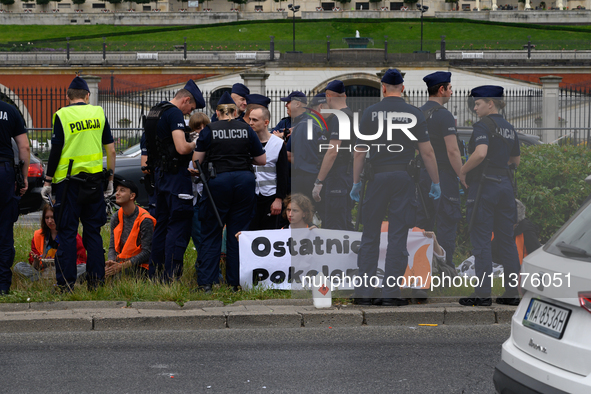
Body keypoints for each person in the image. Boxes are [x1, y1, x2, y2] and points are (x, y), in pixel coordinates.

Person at [350, 69, 440, 306]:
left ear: (383, 87)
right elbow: (427, 152)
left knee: (370, 235)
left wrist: (356, 182)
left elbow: (359, 152)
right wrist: (436, 182)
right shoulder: (414, 113)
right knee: (398, 236)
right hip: (403, 178)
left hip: (377, 178)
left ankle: (364, 294)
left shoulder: (371, 113)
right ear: (402, 88)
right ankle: (391, 294)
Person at [41, 75, 116, 292]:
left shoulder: (62, 115)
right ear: (87, 96)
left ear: (67, 97)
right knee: (92, 232)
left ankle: (66, 284)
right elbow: (110, 149)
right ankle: (97, 283)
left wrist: (48, 180)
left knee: (67, 232)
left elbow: (56, 150)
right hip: (94, 182)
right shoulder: (98, 113)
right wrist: (109, 179)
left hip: (68, 183)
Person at [194, 91, 266, 293]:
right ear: (235, 112)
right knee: (237, 233)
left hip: (218, 181)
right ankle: (236, 283)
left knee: (211, 232)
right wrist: (242, 160)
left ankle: (206, 283)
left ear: (217, 112)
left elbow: (196, 161)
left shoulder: (209, 129)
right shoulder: (246, 129)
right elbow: (262, 160)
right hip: (244, 181)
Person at [458, 85, 521, 307]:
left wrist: (463, 171)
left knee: (481, 241)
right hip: (505, 186)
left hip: (484, 187)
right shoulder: (509, 128)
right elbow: (515, 161)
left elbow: (480, 152)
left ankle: (483, 294)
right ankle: (512, 292)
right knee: (506, 241)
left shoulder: (483, 126)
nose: (474, 108)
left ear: (490, 103)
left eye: (477, 103)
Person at [145, 79, 205, 282]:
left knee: (161, 225)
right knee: (178, 226)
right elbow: (181, 148)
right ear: (186, 99)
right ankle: (170, 275)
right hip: (176, 178)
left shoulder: (155, 110)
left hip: (159, 177)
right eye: (191, 108)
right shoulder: (174, 113)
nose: (189, 113)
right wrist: (196, 141)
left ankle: (155, 272)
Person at [416, 71, 463, 272]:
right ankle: (446, 271)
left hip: (421, 175)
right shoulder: (444, 115)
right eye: (450, 88)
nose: (451, 92)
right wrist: (462, 175)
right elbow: (452, 151)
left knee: (422, 225)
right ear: (442, 89)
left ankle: (422, 268)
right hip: (443, 175)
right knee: (446, 222)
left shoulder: (417, 114)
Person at [312, 80, 354, 230]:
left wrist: (319, 181)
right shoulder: (349, 114)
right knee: (343, 221)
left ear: (329, 96)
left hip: (337, 176)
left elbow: (332, 151)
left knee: (334, 224)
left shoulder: (339, 117)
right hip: (346, 174)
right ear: (345, 95)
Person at [0, 99, 29, 295]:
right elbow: (24, 148)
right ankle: (2, 285)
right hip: (4, 173)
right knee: (4, 229)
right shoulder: (9, 110)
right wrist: (24, 177)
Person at [14, 203, 87, 282]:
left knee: (85, 267)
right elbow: (35, 266)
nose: (49, 221)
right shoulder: (38, 236)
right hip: (43, 271)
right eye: (47, 218)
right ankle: (47, 280)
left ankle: (56, 279)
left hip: (65, 271)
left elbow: (81, 259)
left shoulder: (72, 235)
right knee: (19, 266)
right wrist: (36, 261)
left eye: (53, 217)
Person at [105, 178, 156, 278]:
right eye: (117, 190)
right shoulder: (116, 217)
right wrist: (111, 262)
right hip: (120, 263)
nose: (117, 193)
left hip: (140, 266)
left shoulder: (145, 220)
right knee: (95, 271)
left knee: (117, 278)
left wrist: (121, 267)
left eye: (122, 190)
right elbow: (112, 246)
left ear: (132, 196)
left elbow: (147, 252)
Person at [249, 106, 289, 230]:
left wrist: (278, 199)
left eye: (255, 120)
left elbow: (283, 174)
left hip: (270, 197)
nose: (250, 123)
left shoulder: (277, 144)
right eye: (250, 119)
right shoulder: (247, 142)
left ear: (266, 123)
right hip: (251, 195)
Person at [285, 91, 325, 211]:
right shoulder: (312, 122)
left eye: (288, 102)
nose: (286, 105)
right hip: (315, 176)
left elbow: (289, 154)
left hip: (306, 177)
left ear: (297, 104)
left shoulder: (304, 124)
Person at [187, 112, 210, 273]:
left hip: (207, 194)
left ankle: (207, 269)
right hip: (194, 196)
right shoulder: (189, 145)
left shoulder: (211, 143)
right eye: (197, 127)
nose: (201, 130)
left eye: (204, 127)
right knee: (198, 235)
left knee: (208, 236)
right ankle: (202, 269)